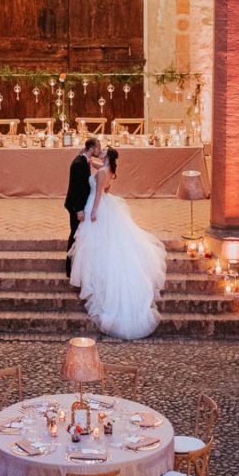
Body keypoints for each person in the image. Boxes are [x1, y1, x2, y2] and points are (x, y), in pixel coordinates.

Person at [69, 146, 167, 340]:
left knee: (97, 244)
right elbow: (102, 176)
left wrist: (94, 211)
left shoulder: (103, 172)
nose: (101, 151)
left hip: (97, 206)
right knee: (104, 243)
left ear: (107, 156)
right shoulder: (109, 170)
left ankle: (98, 280)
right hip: (107, 204)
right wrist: (88, 159)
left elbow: (97, 193)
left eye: (104, 151)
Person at [64, 136, 100, 277]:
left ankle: (76, 265)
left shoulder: (84, 160)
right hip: (75, 205)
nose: (99, 150)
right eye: (98, 148)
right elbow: (76, 189)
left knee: (78, 234)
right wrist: (79, 210)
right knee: (74, 234)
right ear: (91, 149)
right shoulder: (79, 163)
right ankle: (69, 268)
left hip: (80, 203)